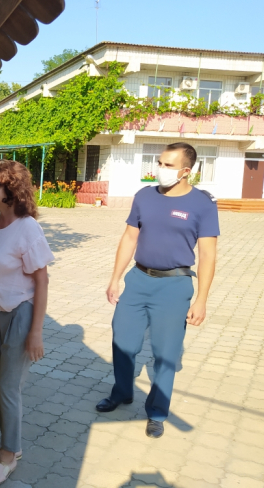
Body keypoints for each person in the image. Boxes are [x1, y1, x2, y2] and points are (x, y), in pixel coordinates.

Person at [96, 142, 219, 438]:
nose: (160, 169)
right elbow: (129, 238)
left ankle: (157, 412)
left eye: (167, 165)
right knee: (123, 342)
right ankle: (122, 392)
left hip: (174, 286)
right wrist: (115, 278)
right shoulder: (144, 196)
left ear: (185, 171)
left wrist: (201, 299)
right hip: (138, 280)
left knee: (166, 354)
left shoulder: (203, 204)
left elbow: (208, 255)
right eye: (160, 163)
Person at [0, 160, 54, 486]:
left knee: (9, 386)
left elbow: (42, 281)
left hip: (21, 314)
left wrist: (36, 332)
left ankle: (10, 456)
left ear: (11, 192)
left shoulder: (28, 228)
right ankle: (9, 444)